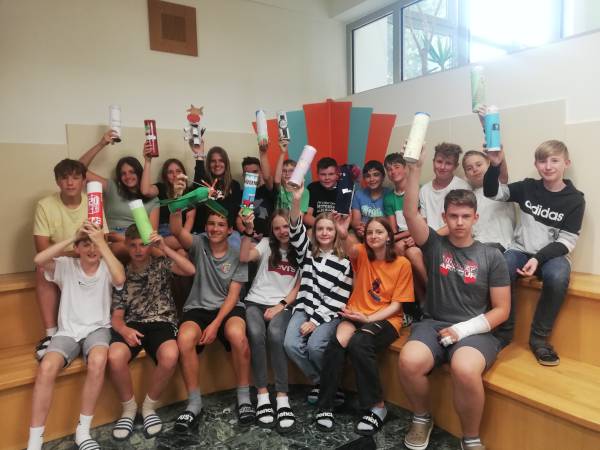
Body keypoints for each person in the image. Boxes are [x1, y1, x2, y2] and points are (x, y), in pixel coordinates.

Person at [398, 149, 510, 450]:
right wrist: (414, 169)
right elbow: (410, 214)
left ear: (475, 218)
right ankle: (422, 417)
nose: (459, 222)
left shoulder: (491, 256)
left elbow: (502, 310)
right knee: (409, 360)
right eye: (453, 216)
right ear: (444, 217)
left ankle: (470, 437)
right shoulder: (435, 245)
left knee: (465, 368)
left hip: (474, 331)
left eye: (465, 216)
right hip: (434, 323)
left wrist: (462, 330)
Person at [483, 140, 585, 366]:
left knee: (558, 276)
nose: (548, 166)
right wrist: (494, 165)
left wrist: (538, 259)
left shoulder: (575, 199)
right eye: (542, 161)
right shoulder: (527, 187)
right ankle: (504, 333)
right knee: (502, 266)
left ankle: (539, 339)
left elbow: (567, 241)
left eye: (554, 160)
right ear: (536, 164)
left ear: (566, 163)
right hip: (521, 250)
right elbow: (492, 192)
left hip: (552, 256)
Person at [26, 223, 125, 450]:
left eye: (95, 244)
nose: (92, 249)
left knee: (98, 360)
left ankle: (83, 431)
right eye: (85, 244)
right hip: (68, 332)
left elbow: (120, 278)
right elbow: (39, 260)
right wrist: (72, 238)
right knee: (46, 367)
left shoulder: (108, 267)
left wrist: (101, 241)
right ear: (77, 249)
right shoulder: (66, 265)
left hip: (98, 329)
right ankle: (35, 440)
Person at [315, 215, 414, 436]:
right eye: (369, 232)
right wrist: (343, 233)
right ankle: (325, 405)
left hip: (386, 319)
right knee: (337, 343)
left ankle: (377, 407)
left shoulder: (402, 264)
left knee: (359, 343)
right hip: (355, 312)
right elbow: (349, 247)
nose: (373, 236)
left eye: (379, 232)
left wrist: (368, 319)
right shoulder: (361, 253)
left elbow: (397, 305)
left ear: (389, 236)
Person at [108, 225, 196, 441]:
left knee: (170, 354)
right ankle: (129, 410)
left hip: (161, 322)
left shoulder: (161, 264)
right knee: (115, 356)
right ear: (126, 246)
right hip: (132, 324)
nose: (138, 250)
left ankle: (148, 407)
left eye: (142, 245)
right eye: (133, 245)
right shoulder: (121, 274)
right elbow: (117, 317)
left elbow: (189, 270)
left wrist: (163, 247)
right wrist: (124, 330)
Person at [170, 206, 254, 430]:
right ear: (205, 227)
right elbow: (176, 230)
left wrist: (216, 324)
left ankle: (244, 398)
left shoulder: (238, 255)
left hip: (228, 308)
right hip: (198, 307)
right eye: (211, 224)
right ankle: (194, 403)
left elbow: (233, 296)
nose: (215, 228)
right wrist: (177, 203)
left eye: (221, 225)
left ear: (229, 230)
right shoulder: (199, 244)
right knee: (184, 339)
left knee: (238, 335)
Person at [283, 183, 352, 405]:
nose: (324, 232)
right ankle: (324, 384)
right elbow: (295, 229)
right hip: (304, 308)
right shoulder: (307, 254)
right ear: (314, 232)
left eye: (329, 229)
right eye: (320, 228)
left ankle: (328, 387)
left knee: (315, 346)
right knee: (290, 344)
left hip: (328, 314)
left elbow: (338, 298)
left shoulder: (344, 262)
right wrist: (296, 199)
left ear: (336, 233)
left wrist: (315, 321)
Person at [33, 159, 108, 360]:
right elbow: (41, 250)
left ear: (84, 181)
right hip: (65, 260)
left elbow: (103, 240)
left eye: (75, 177)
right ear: (57, 181)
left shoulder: (93, 202)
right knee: (41, 269)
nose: (70, 182)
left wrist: (82, 253)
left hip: (87, 257)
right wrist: (73, 252)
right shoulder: (45, 205)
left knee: (111, 260)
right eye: (64, 178)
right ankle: (51, 335)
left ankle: (103, 326)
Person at [239, 209, 301, 432]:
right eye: (277, 228)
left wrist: (280, 306)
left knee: (275, 335)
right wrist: (247, 232)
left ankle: (282, 397)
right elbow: (244, 257)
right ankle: (263, 394)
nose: (282, 231)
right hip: (255, 302)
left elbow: (298, 286)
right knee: (256, 334)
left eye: (286, 226)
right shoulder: (266, 244)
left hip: (283, 304)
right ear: (272, 231)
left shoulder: (301, 249)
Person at [78, 130, 160, 259]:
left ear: (139, 173)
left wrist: (123, 238)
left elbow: (151, 236)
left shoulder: (152, 199)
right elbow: (78, 169)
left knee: (158, 252)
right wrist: (101, 144)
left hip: (138, 241)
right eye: (123, 173)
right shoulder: (112, 187)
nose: (128, 176)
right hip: (113, 241)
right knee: (120, 248)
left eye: (132, 172)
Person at [383, 152, 428, 298]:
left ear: (405, 168)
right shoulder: (389, 198)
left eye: (396, 167)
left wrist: (412, 237)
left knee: (405, 250)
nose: (393, 171)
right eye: (389, 169)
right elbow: (394, 229)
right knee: (398, 250)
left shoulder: (419, 190)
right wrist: (392, 237)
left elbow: (423, 222)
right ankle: (420, 298)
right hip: (402, 237)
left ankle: (430, 293)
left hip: (420, 234)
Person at [140, 142, 196, 249]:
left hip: (180, 234)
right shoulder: (161, 188)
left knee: (182, 250)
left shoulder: (189, 193)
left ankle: (155, 247)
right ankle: (155, 246)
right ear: (165, 176)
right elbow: (145, 191)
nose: (175, 175)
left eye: (178, 171)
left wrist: (183, 239)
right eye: (170, 172)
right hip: (162, 233)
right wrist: (147, 161)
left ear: (184, 174)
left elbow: (189, 221)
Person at [190, 142, 242, 245]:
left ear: (226, 163)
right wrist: (199, 155)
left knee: (235, 245)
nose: (217, 164)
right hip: (204, 232)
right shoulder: (203, 182)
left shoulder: (234, 185)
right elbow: (197, 189)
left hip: (228, 233)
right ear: (208, 164)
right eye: (213, 161)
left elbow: (233, 213)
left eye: (221, 161)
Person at [462, 150, 514, 251]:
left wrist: (499, 159)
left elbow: (503, 176)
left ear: (489, 164)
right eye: (469, 168)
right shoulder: (470, 197)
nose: (475, 169)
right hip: (476, 246)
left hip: (501, 246)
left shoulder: (500, 186)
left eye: (479, 165)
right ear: (466, 175)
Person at [418, 143, 470, 232]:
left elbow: (461, 222)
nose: (442, 167)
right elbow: (423, 221)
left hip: (452, 237)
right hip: (429, 236)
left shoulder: (463, 187)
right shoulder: (424, 190)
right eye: (439, 162)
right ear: (433, 162)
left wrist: (433, 237)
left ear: (455, 166)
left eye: (448, 163)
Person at [235, 153, 274, 241]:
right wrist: (248, 233)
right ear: (243, 175)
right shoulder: (242, 194)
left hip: (270, 237)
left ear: (261, 172)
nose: (252, 176)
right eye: (248, 174)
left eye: (255, 172)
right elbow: (239, 220)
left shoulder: (269, 189)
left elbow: (268, 178)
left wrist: (263, 153)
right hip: (250, 237)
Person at [351, 160, 389, 239]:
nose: (372, 179)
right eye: (368, 176)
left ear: (383, 176)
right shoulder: (358, 194)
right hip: (363, 231)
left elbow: (391, 223)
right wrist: (360, 228)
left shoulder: (389, 195)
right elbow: (355, 221)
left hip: (381, 233)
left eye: (376, 175)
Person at [273, 140, 310, 214]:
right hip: (278, 220)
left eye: (291, 171)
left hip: (294, 220)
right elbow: (277, 180)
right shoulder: (281, 188)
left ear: (297, 172)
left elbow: (301, 214)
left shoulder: (304, 191)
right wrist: (282, 153)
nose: (287, 173)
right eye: (284, 171)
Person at [304, 157, 339, 227]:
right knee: (309, 232)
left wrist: (334, 227)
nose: (327, 178)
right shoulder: (312, 188)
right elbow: (307, 216)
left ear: (337, 174)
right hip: (317, 226)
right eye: (323, 174)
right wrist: (324, 226)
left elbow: (348, 217)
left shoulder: (344, 189)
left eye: (331, 174)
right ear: (317, 174)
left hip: (338, 227)